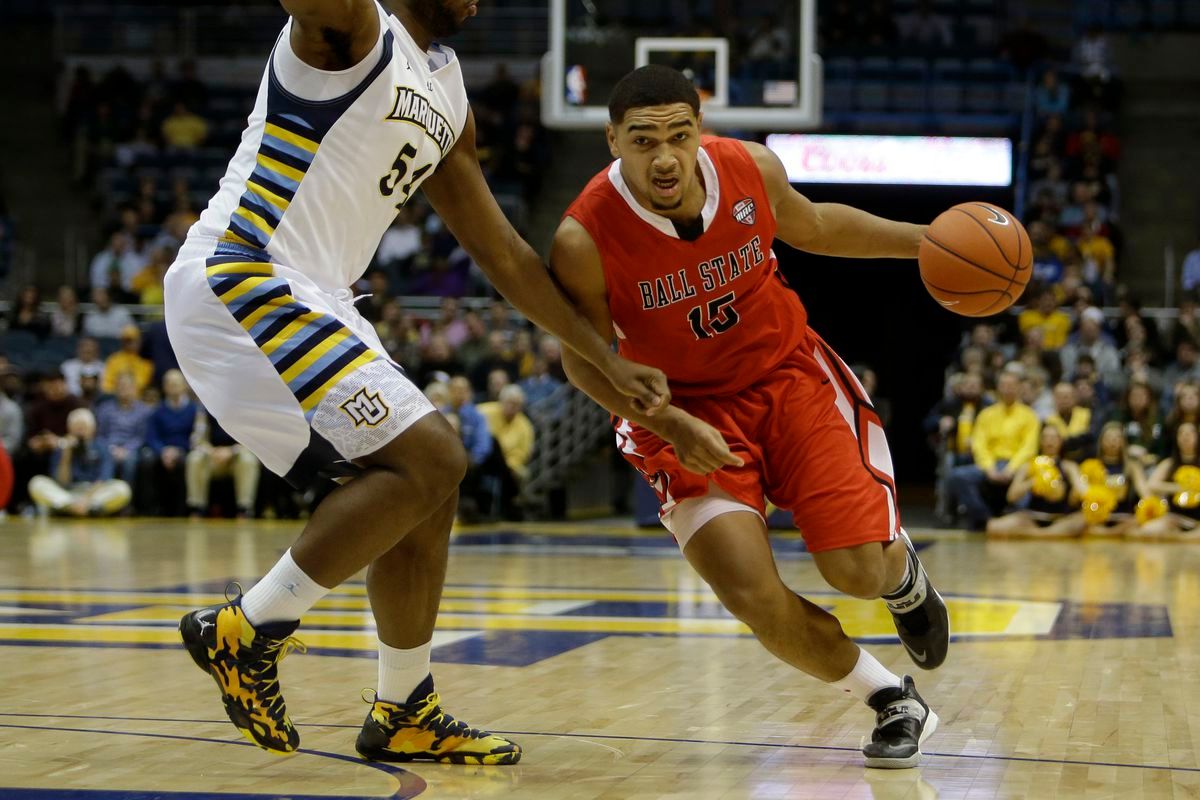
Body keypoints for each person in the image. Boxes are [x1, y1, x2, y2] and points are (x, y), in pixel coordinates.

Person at [164, 0, 668, 764]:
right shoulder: (355, 26)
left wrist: (602, 354)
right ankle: (248, 627)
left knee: (431, 483)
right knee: (431, 456)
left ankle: (405, 706)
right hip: (247, 270)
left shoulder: (448, 91)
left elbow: (501, 253)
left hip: (319, 294)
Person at [548, 66, 947, 769]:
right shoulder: (583, 237)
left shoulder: (749, 168)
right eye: (643, 141)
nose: (664, 156)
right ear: (613, 141)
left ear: (700, 131)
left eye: (679, 135)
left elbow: (819, 225)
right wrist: (670, 424)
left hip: (788, 376)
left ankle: (901, 578)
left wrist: (927, 240)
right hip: (680, 412)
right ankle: (892, 699)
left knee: (855, 572)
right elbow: (581, 360)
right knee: (749, 593)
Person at [948, 369, 1040, 531]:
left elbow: (1029, 447)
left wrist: (1011, 469)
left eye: (1012, 385)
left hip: (1018, 467)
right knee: (957, 476)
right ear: (998, 388)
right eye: (1004, 385)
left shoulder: (1029, 415)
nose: (1008, 389)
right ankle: (984, 519)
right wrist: (989, 468)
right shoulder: (986, 414)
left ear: (1019, 388)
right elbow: (979, 444)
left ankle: (1017, 517)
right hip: (991, 465)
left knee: (1031, 477)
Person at [986, 424, 1086, 538]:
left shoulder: (1068, 466)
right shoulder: (1029, 465)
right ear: (1040, 441)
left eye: (1054, 438)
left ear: (1060, 441)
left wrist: (1073, 492)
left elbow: (1082, 490)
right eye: (1046, 437)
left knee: (1081, 520)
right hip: (1033, 519)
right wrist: (1033, 481)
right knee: (992, 526)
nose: (1050, 442)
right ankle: (1048, 535)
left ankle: (1036, 535)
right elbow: (1011, 496)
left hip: (1060, 519)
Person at [28, 408, 131, 517]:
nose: (80, 430)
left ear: (92, 428)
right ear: (69, 428)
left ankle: (74, 509)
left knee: (122, 488)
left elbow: (103, 479)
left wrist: (86, 500)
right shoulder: (62, 447)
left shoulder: (102, 447)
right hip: (68, 494)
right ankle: (76, 508)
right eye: (76, 427)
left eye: (83, 426)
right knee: (37, 483)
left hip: (94, 494)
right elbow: (61, 482)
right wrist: (66, 454)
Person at [1131, 421, 1200, 540]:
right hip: (1175, 518)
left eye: (1190, 433)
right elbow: (1151, 485)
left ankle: (1180, 538)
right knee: (1147, 530)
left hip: (1198, 519)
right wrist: (1179, 487)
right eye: (1181, 433)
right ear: (1177, 439)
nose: (1185, 437)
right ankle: (1184, 538)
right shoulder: (1169, 463)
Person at [186, 410, 260, 518]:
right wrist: (212, 452)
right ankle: (196, 507)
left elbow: (251, 440)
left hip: (235, 458)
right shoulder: (204, 410)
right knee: (194, 458)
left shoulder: (245, 409)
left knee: (248, 459)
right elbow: (197, 440)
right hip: (212, 458)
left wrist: (231, 451)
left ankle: (244, 508)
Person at [101, 325, 154, 394]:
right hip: (116, 397)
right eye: (126, 341)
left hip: (139, 398)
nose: (130, 344)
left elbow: (145, 383)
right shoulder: (114, 360)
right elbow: (107, 384)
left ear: (139, 341)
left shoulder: (145, 361)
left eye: (133, 340)